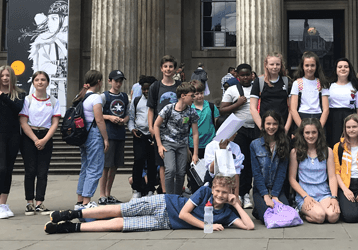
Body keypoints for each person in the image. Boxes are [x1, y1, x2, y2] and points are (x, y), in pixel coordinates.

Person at [44, 175, 254, 233]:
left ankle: (72, 227)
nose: (219, 195)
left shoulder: (227, 213)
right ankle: (73, 213)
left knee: (121, 224)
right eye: (218, 191)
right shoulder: (205, 191)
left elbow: (249, 226)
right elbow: (184, 214)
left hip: (165, 223)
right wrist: (207, 226)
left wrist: (235, 205)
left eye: (224, 193)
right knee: (120, 209)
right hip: (164, 204)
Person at [0, 65, 26, 219]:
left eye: (7, 75)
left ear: (12, 77)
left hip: (15, 135)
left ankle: (3, 204)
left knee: (8, 169)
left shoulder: (20, 94)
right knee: (1, 169)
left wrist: (2, 95)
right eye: (2, 75)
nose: (4, 78)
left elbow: (17, 109)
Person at [19, 71, 60, 215]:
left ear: (48, 83)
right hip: (29, 136)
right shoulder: (27, 100)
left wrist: (44, 140)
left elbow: (55, 123)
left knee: (43, 172)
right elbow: (23, 122)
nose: (40, 82)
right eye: (37, 80)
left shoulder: (54, 101)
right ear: (33, 82)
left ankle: (40, 203)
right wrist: (36, 140)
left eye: (43, 80)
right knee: (30, 171)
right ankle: (29, 203)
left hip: (46, 136)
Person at [220, 63, 259, 208]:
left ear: (252, 75)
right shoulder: (232, 89)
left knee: (254, 162)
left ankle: (249, 193)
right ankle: (242, 193)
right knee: (242, 162)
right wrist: (237, 104)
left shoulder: (257, 87)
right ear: (237, 75)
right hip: (240, 129)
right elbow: (222, 110)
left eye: (247, 75)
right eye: (242, 75)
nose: (245, 78)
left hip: (256, 128)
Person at [289, 118, 340, 224]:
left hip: (323, 193)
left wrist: (334, 197)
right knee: (320, 217)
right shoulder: (295, 152)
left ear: (319, 133)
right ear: (302, 134)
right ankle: (302, 212)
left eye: (314, 132)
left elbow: (332, 177)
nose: (310, 136)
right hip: (305, 194)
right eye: (307, 132)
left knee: (333, 216)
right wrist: (305, 196)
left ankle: (319, 208)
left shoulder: (328, 151)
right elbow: (292, 179)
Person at [154, 81, 199, 195]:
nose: (194, 98)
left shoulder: (191, 111)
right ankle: (169, 197)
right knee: (170, 170)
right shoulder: (169, 108)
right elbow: (156, 125)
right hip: (168, 143)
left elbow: (195, 133)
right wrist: (159, 145)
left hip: (182, 145)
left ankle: (177, 197)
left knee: (180, 172)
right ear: (183, 96)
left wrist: (195, 153)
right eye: (191, 96)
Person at [73, 70, 109, 210]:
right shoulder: (96, 98)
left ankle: (80, 200)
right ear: (99, 82)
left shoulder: (80, 96)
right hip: (93, 134)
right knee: (95, 167)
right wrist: (105, 138)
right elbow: (99, 120)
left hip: (82, 133)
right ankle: (87, 202)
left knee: (85, 167)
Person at [250, 110, 290, 223]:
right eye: (268, 124)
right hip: (260, 189)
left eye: (274, 124)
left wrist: (275, 195)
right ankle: (259, 207)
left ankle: (260, 208)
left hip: (277, 188)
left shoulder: (284, 143)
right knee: (269, 217)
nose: (271, 127)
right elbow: (256, 172)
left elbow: (282, 172)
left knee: (284, 214)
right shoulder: (255, 144)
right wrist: (265, 196)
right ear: (263, 125)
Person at [148, 55, 180, 193]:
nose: (168, 69)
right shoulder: (155, 87)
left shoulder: (179, 86)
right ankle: (165, 192)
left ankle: (176, 191)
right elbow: (151, 109)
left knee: (177, 164)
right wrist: (151, 127)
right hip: (160, 129)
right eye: (165, 66)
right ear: (161, 68)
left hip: (178, 129)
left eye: (171, 67)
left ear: (175, 69)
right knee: (162, 163)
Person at [99, 70, 130, 205]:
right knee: (106, 165)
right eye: (116, 81)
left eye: (120, 81)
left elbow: (128, 113)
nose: (118, 83)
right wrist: (110, 117)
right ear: (109, 81)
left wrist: (124, 120)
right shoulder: (104, 96)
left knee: (115, 165)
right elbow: (97, 114)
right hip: (108, 133)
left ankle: (108, 193)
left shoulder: (124, 96)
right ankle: (102, 194)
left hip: (120, 133)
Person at [187, 79, 219, 192]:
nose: (199, 96)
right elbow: (185, 127)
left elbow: (216, 122)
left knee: (210, 172)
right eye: (196, 94)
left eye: (201, 93)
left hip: (209, 144)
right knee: (195, 173)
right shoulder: (188, 109)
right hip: (193, 145)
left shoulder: (211, 107)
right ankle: (195, 192)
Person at [250, 52, 293, 135]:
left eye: (277, 64)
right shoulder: (259, 81)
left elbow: (292, 108)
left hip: (282, 126)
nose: (275, 67)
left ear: (281, 66)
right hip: (264, 126)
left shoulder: (287, 81)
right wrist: (262, 127)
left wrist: (286, 128)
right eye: (272, 64)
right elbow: (252, 108)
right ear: (266, 65)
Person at [325, 57, 358, 146]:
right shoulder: (328, 86)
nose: (343, 69)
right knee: (334, 145)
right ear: (335, 69)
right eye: (340, 67)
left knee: (350, 144)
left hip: (351, 118)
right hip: (332, 119)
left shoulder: (356, 87)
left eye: (346, 67)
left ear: (350, 69)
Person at [128, 79, 158, 199]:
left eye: (148, 88)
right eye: (143, 88)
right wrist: (131, 129)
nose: (146, 91)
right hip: (139, 134)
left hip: (153, 135)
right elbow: (131, 117)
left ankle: (150, 189)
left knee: (152, 163)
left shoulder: (157, 101)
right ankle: (137, 189)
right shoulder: (136, 101)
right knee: (138, 161)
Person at [289, 51, 329, 129]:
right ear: (302, 66)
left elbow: (326, 109)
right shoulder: (297, 83)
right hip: (301, 117)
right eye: (306, 65)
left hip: (318, 117)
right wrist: (302, 128)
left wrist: (319, 128)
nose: (309, 68)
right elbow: (293, 109)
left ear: (317, 66)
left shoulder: (322, 83)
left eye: (312, 65)